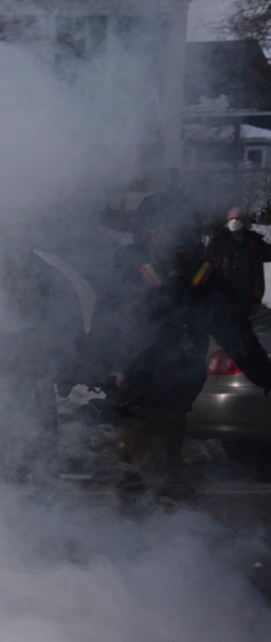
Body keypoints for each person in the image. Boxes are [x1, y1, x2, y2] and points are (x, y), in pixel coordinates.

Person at [94, 196, 271, 499]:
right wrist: (112, 367)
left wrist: (267, 378)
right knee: (169, 491)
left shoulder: (206, 280)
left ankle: (132, 542)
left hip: (175, 399)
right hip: (137, 398)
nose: (172, 246)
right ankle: (177, 542)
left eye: (181, 237)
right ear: (149, 233)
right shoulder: (128, 273)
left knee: (139, 483)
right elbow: (105, 327)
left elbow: (237, 336)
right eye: (163, 232)